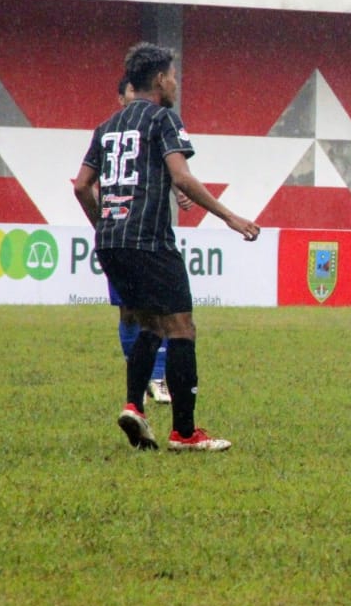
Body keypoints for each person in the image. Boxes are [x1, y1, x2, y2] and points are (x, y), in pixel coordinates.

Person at [74, 43, 260, 452]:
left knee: (150, 325)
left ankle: (133, 407)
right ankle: (185, 433)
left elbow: (82, 185)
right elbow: (183, 177)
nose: (175, 82)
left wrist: (106, 225)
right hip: (151, 241)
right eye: (173, 75)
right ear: (159, 79)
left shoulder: (106, 127)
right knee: (181, 328)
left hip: (112, 243)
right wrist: (231, 218)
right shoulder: (163, 119)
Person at [104, 74, 195, 405]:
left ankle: (153, 380)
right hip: (136, 238)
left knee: (154, 316)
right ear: (122, 97)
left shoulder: (146, 129)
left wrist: (175, 187)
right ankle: (144, 381)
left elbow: (157, 169)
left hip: (123, 239)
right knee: (136, 314)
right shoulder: (114, 132)